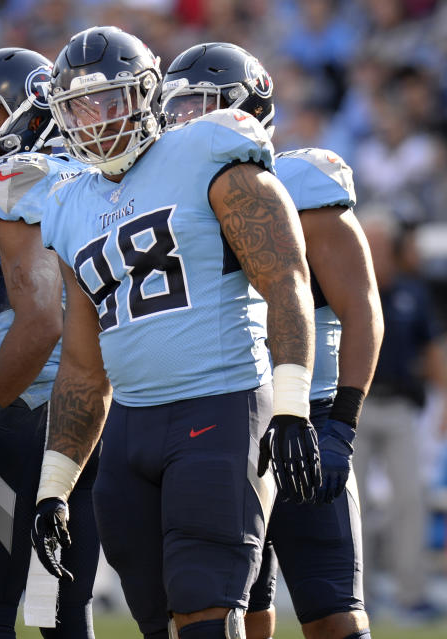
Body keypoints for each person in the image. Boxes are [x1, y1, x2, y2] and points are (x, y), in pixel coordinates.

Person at [19, 27, 318, 639]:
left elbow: (287, 278)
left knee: (208, 613)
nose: (94, 119)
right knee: (159, 625)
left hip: (221, 403)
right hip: (130, 430)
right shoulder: (68, 203)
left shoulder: (206, 147)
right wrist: (55, 487)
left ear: (149, 95)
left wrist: (291, 406)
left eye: (110, 99)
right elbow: (81, 364)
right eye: (77, 105)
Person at [162, 41, 383, 639]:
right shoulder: (168, 196)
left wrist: (342, 424)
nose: (184, 122)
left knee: (332, 614)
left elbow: (363, 311)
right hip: (229, 415)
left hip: (308, 412)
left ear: (248, 107)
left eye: (200, 106)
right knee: (237, 614)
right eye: (176, 108)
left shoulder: (300, 181)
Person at [0, 46, 100, 637]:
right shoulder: (88, 178)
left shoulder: (14, 182)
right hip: (87, 410)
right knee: (62, 609)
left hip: (22, 408)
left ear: (31, 114)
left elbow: (40, 323)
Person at [356, 220, 447, 622]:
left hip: (400, 407)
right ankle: (358, 594)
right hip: (354, 406)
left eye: (379, 244)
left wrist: (445, 403)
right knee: (352, 502)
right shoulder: (347, 288)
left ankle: (411, 593)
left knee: (410, 498)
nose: (374, 252)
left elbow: (432, 350)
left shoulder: (411, 292)